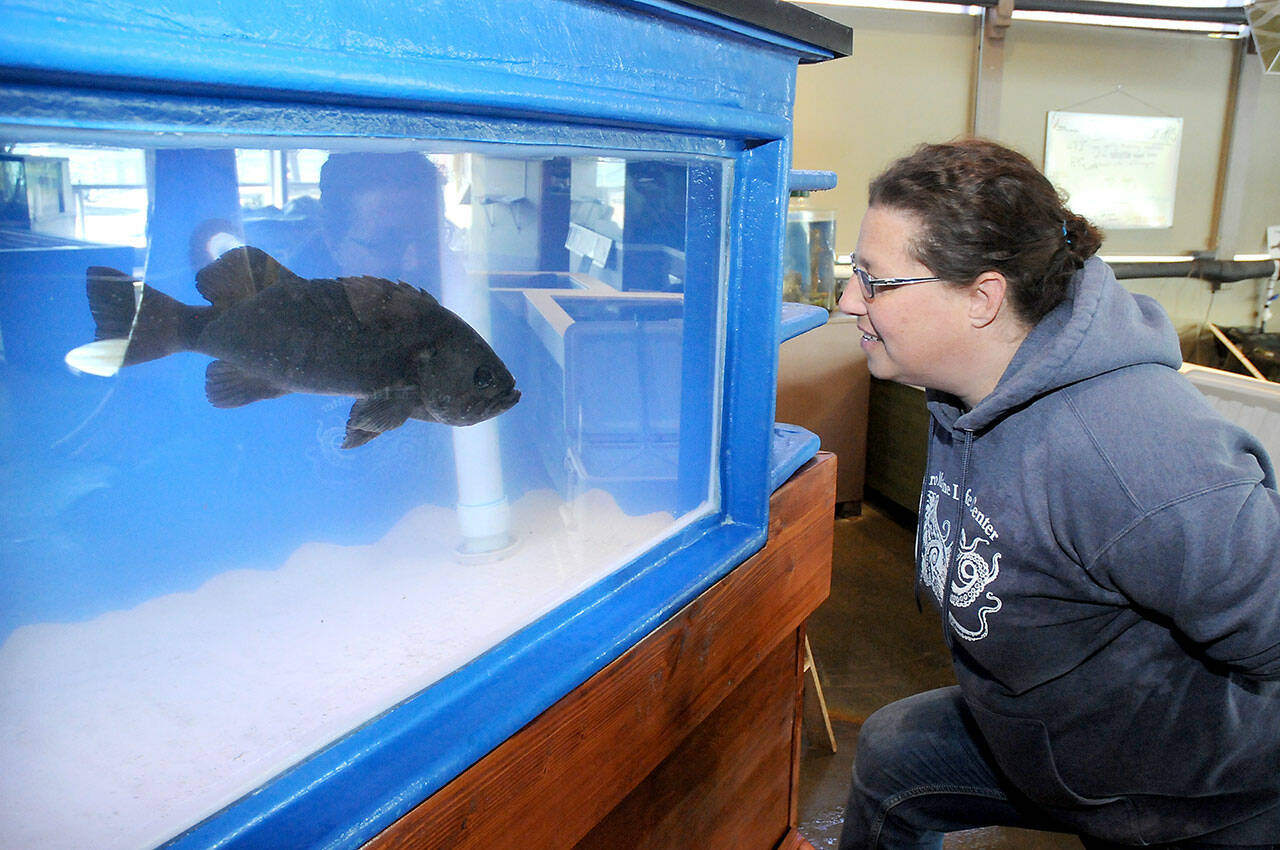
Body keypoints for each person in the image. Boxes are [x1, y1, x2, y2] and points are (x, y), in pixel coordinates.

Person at [835, 138, 1280, 849]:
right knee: (896, 754)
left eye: (874, 281)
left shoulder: (1138, 456)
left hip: (1189, 806)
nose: (850, 299)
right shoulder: (969, 393)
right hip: (1054, 751)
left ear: (982, 298)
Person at [287, 151, 444, 294]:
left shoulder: (451, 291)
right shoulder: (284, 319)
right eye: (388, 243)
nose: (414, 264)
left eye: (429, 238)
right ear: (334, 243)